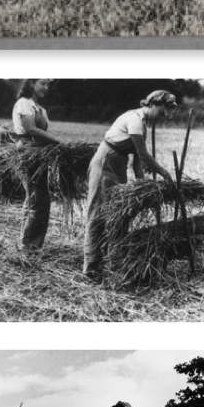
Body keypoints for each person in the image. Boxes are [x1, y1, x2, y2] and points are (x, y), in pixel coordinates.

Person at [83, 91, 176, 279]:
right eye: (162, 111)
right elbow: (143, 155)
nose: (162, 116)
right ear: (152, 104)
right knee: (98, 214)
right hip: (105, 162)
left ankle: (112, 261)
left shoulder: (143, 124)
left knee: (117, 214)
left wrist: (143, 186)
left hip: (119, 165)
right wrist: (164, 173)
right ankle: (91, 268)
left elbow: (136, 162)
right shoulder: (134, 119)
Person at [12, 79, 59, 250]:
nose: (46, 88)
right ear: (31, 84)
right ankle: (28, 245)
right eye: (43, 83)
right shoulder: (23, 104)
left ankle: (32, 242)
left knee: (39, 198)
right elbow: (31, 130)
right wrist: (57, 141)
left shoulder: (40, 109)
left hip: (39, 153)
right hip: (28, 151)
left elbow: (41, 132)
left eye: (48, 84)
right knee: (36, 198)